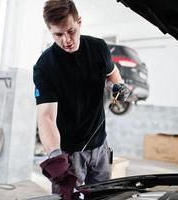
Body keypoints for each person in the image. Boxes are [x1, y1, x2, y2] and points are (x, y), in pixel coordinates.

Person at [33, 0, 130, 199]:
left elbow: (112, 73)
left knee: (103, 197)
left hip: (100, 146)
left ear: (79, 21)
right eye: (58, 34)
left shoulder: (98, 48)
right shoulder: (45, 66)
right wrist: (55, 156)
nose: (66, 40)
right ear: (50, 32)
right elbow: (46, 118)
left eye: (71, 31)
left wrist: (119, 86)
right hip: (69, 155)